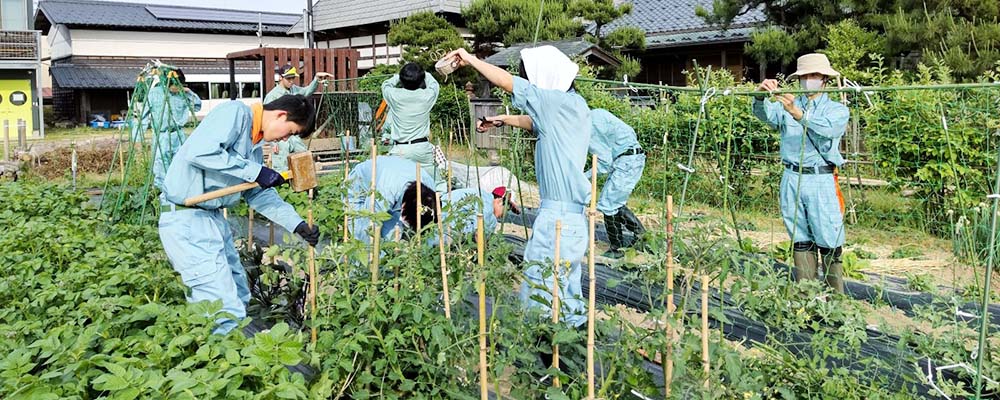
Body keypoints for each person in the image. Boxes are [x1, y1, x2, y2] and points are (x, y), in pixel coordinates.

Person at [447, 45, 591, 327]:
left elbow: (508, 82)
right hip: (574, 218)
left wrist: (471, 59)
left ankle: (545, 360)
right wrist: (502, 119)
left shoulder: (554, 102)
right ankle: (570, 360)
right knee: (567, 298)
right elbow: (533, 122)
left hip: (556, 219)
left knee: (539, 297)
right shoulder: (575, 106)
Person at [158, 95, 321, 335]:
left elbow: (256, 195)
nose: (286, 139)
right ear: (280, 115)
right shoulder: (235, 113)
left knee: (239, 291)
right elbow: (200, 152)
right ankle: (218, 364)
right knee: (220, 308)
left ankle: (232, 357)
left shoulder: (253, 146)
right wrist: (255, 172)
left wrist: (296, 224)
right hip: (186, 220)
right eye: (290, 132)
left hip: (211, 218)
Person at [752, 53, 850, 293]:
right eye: (805, 76)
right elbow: (765, 115)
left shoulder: (836, 110)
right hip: (792, 176)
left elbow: (828, 130)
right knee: (800, 236)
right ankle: (807, 297)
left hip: (821, 178)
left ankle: (834, 301)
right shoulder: (787, 105)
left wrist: (800, 114)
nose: (809, 80)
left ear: (824, 79)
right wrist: (760, 95)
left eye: (814, 75)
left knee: (829, 236)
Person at [587, 109, 646, 258]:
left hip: (626, 162)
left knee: (608, 204)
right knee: (613, 201)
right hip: (632, 156)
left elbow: (604, 163)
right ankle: (641, 236)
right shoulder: (597, 113)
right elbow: (629, 131)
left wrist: (582, 176)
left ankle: (617, 249)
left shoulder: (587, 127)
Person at [380, 63, 445, 191]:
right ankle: (440, 206)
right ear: (421, 79)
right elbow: (434, 84)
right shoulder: (427, 96)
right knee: (436, 186)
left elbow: (385, 85)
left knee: (397, 186)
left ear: (402, 79)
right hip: (422, 148)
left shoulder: (394, 95)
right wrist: (424, 74)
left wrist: (398, 77)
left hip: (400, 149)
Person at [346, 155, 437, 244]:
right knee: (364, 232)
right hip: (359, 186)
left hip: (392, 180)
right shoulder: (387, 190)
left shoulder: (429, 186)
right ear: (404, 207)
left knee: (391, 237)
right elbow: (371, 219)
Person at [142, 68, 202, 190]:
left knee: (181, 165)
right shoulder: (154, 93)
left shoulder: (183, 94)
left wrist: (188, 91)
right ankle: (161, 194)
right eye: (175, 85)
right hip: (161, 135)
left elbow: (197, 106)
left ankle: (179, 192)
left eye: (180, 85)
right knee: (160, 166)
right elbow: (143, 113)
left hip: (178, 135)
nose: (177, 88)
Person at [265, 64, 331, 172]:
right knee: (282, 167)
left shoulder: (294, 90)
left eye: (293, 78)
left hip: (293, 136)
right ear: (281, 78)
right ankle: (282, 187)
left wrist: (316, 79)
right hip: (280, 138)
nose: (291, 81)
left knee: (304, 159)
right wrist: (273, 143)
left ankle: (305, 186)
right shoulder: (272, 96)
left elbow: (307, 91)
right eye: (288, 78)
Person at [444, 186, 520, 238]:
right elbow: (479, 234)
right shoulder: (487, 207)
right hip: (443, 229)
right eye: (507, 209)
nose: (504, 214)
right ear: (499, 201)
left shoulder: (482, 195)